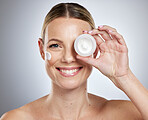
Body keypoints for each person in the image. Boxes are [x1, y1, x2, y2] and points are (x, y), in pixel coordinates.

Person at [1, 2, 148, 120]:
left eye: (79, 45)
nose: (68, 58)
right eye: (55, 45)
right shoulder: (17, 118)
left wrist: (124, 77)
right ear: (41, 49)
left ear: (94, 48)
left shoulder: (124, 115)